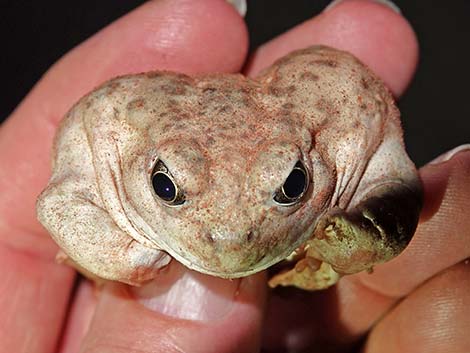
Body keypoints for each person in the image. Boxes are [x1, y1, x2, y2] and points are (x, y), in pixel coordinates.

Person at [0, 0, 468, 352]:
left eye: (289, 187)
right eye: (169, 188)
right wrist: (120, 258)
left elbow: (394, 182)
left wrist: (365, 233)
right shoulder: (116, 127)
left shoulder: (339, 119)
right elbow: (60, 203)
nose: (229, 235)